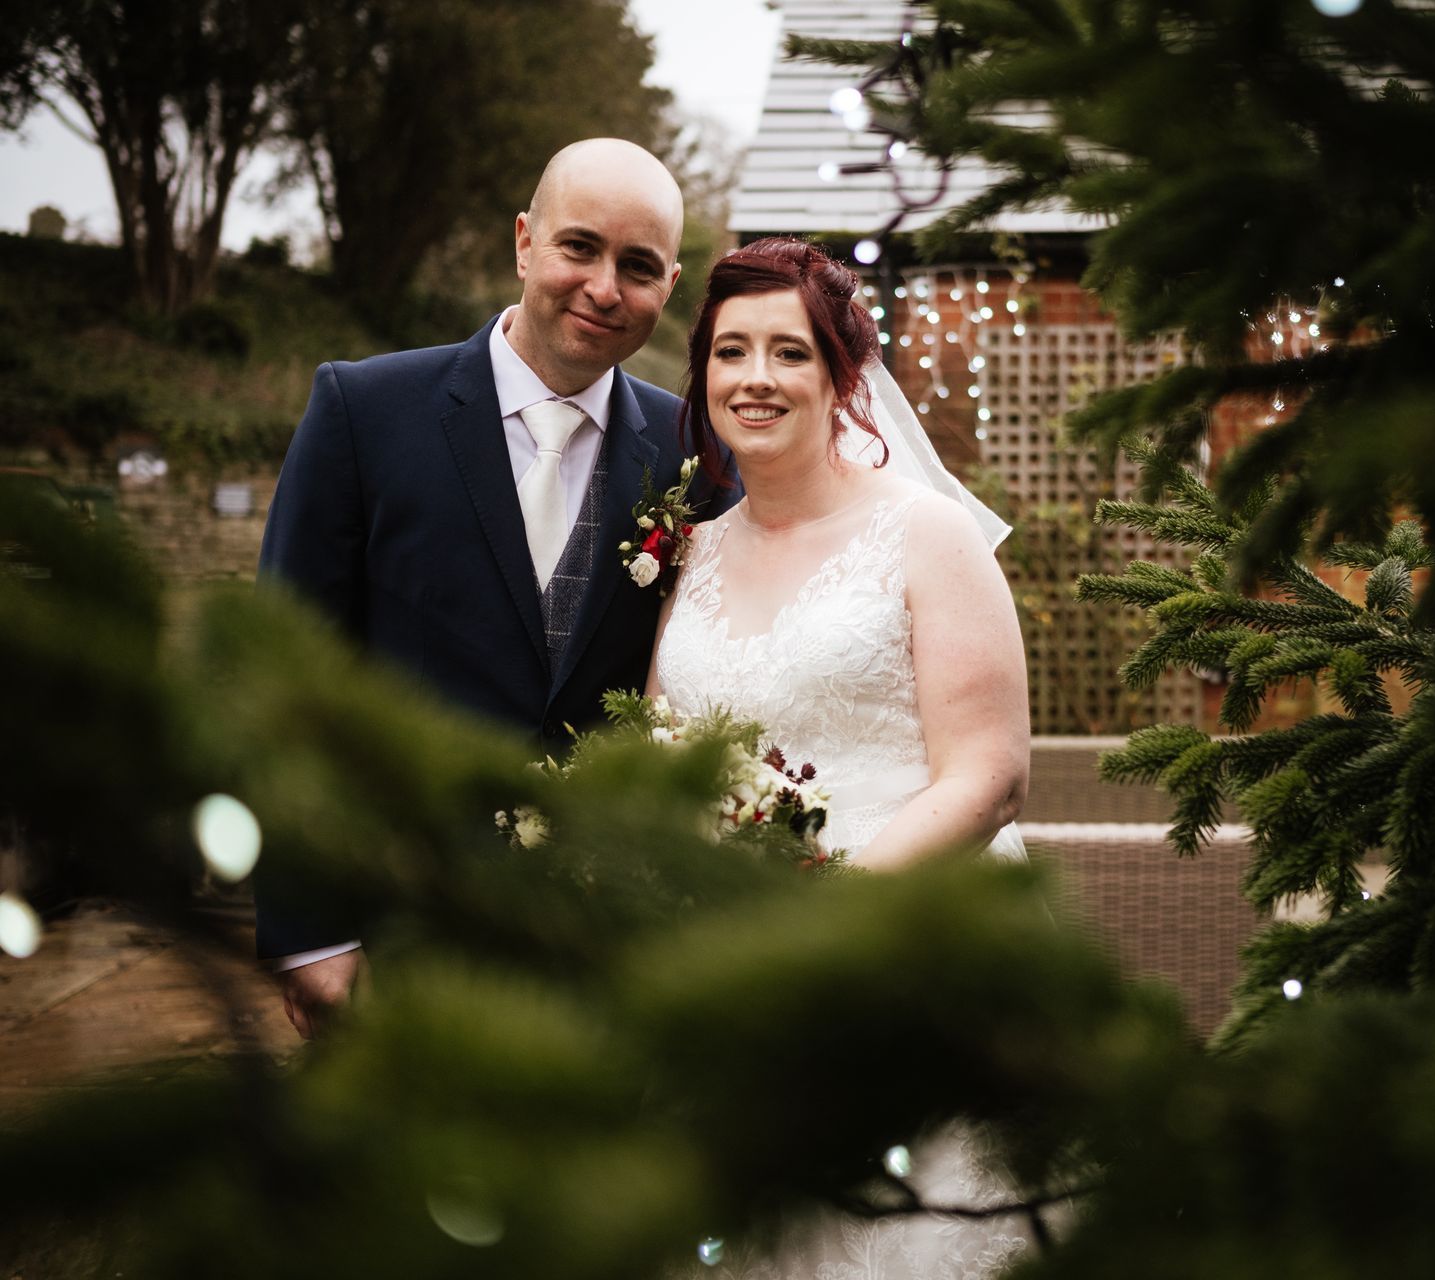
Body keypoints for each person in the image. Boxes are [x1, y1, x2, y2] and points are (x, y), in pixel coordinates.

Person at [255, 139, 735, 1039]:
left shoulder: (695, 454)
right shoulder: (364, 411)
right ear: (524, 242)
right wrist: (309, 930)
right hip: (400, 922)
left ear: (669, 285)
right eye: (579, 247)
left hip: (611, 948)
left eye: (638, 267)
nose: (604, 288)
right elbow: (281, 675)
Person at [649, 238, 1036, 1271]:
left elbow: (989, 775)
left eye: (790, 352)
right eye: (731, 351)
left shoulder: (928, 534)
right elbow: (661, 751)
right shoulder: (691, 552)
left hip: (906, 943)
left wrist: (822, 918)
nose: (756, 377)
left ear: (841, 377)